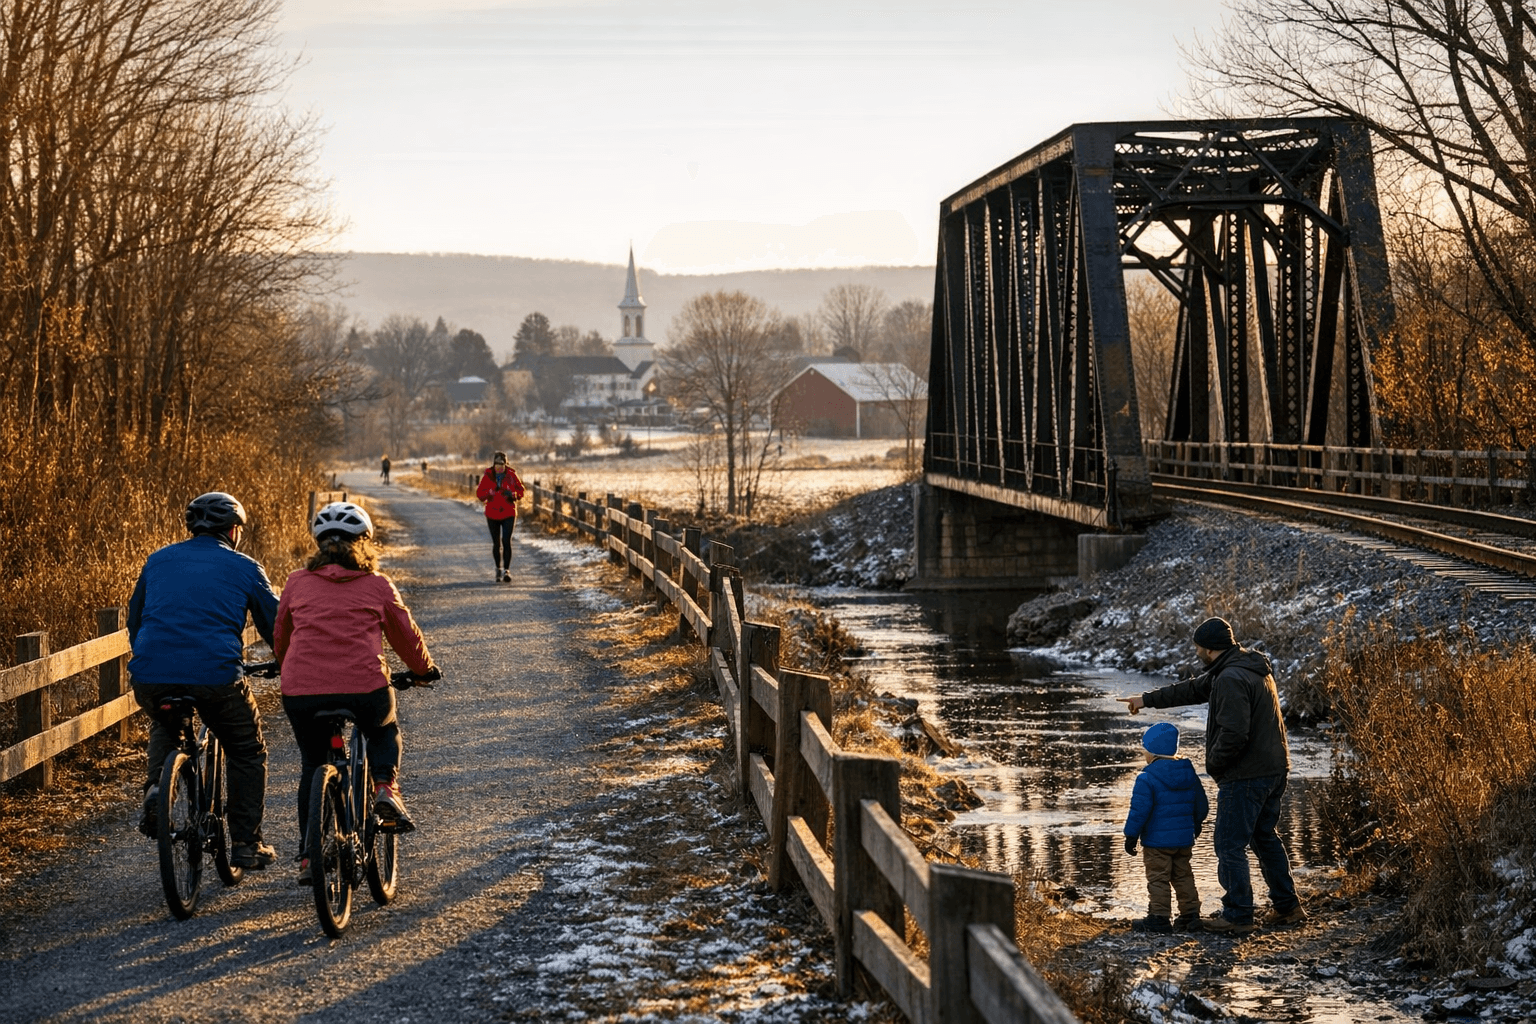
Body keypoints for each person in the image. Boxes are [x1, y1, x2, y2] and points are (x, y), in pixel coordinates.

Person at [274, 501, 439, 885]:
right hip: (364, 688)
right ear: (364, 543)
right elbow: (405, 635)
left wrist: (286, 666)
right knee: (383, 728)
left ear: (318, 544)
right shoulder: (377, 584)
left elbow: (282, 635)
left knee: (313, 765)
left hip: (302, 690)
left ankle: (309, 855)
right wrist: (423, 670)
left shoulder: (297, 582)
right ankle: (385, 787)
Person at [1118, 616, 1304, 935]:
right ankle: (1288, 907)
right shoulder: (1242, 668)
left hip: (1247, 774)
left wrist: (1215, 765)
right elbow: (1192, 689)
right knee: (1264, 837)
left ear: (1209, 648)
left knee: (1229, 844)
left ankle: (1238, 915)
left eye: (1198, 648)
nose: (1196, 653)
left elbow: (1234, 734)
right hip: (1275, 768)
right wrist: (1145, 700)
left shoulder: (1230, 677)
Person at [128, 492, 280, 869]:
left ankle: (157, 789)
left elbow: (135, 620)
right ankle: (246, 843)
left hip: (151, 673)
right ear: (233, 531)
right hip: (215, 675)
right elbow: (277, 628)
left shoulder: (157, 560)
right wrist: (286, 660)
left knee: (166, 722)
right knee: (246, 749)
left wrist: (153, 659)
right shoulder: (246, 567)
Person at [1123, 722, 1208, 934]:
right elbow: (1202, 805)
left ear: (1153, 752)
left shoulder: (1147, 778)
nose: (1144, 753)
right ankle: (1190, 916)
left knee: (1158, 878)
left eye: (1145, 749)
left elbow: (1139, 811)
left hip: (1156, 843)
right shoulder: (1189, 773)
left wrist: (1131, 835)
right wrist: (1196, 824)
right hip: (1183, 840)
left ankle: (1159, 917)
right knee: (1183, 876)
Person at [475, 451, 525, 582]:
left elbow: (521, 491)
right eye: (497, 464)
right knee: (496, 543)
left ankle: (506, 570)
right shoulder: (488, 476)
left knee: (506, 541)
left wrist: (513, 494)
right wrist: (489, 493)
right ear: (493, 464)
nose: (499, 467)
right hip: (492, 514)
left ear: (506, 464)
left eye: (502, 464)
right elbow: (479, 494)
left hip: (508, 512)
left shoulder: (511, 475)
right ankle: (498, 568)